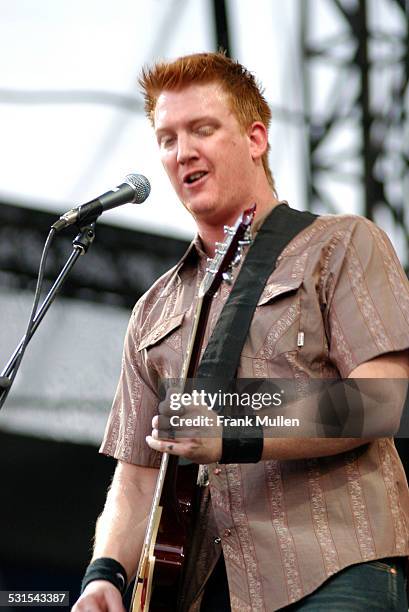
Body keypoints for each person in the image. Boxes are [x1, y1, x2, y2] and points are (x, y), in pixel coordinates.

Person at [72, 52, 409, 612]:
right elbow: (135, 477)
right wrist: (104, 575)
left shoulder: (342, 244)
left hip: (334, 574)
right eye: (167, 138)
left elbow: (381, 401)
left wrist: (231, 428)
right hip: (203, 592)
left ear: (256, 139)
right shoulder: (153, 310)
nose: (183, 152)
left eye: (203, 129)